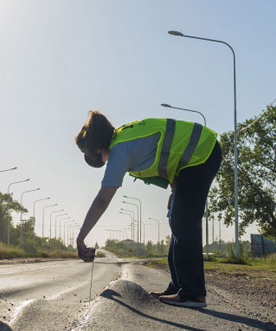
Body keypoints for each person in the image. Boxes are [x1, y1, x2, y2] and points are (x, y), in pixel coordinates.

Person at [74, 111, 222, 309]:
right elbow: (170, 154)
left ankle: (194, 294)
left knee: (184, 223)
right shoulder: (123, 137)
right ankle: (178, 287)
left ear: (98, 148)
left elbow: (102, 200)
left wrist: (81, 236)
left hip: (202, 153)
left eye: (91, 156)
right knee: (177, 220)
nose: (99, 163)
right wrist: (175, 189)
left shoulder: (120, 150)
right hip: (193, 159)